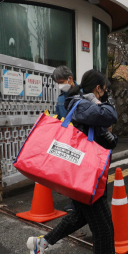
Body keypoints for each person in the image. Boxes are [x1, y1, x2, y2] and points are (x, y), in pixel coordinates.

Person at [26, 69, 123, 254]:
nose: (105, 95)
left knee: (80, 217)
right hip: (82, 173)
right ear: (98, 89)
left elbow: (101, 134)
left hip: (86, 170)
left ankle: (42, 242)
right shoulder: (80, 104)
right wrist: (104, 103)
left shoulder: (83, 103)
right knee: (102, 219)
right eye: (104, 90)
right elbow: (110, 114)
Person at [53, 66, 79, 213]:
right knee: (70, 172)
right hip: (67, 139)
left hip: (80, 138)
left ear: (70, 78)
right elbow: (57, 117)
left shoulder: (83, 93)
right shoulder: (61, 98)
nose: (60, 85)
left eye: (61, 81)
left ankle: (82, 202)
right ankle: (74, 202)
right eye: (57, 83)